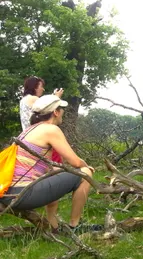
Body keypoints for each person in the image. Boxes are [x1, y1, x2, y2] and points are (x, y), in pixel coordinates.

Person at [1, 95, 94, 231]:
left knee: (53, 174)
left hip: (9, 192)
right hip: (22, 194)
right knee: (85, 173)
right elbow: (75, 162)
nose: (63, 111)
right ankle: (75, 225)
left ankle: (53, 226)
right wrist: (86, 167)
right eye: (61, 108)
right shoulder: (50, 130)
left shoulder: (30, 129)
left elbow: (48, 167)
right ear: (55, 112)